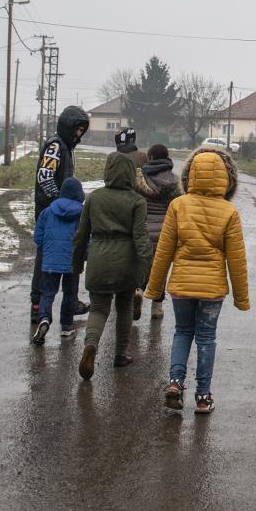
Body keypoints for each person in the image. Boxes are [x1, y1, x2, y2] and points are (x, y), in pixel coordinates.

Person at [143, 147, 249, 414]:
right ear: (226, 178)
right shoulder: (228, 212)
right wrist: (241, 298)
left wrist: (154, 287)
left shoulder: (178, 206)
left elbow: (164, 251)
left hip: (181, 285)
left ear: (189, 176)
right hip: (212, 289)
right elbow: (236, 259)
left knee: (182, 332)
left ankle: (176, 383)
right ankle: (203, 397)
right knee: (206, 337)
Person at [71, 153, 151, 378]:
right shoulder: (137, 201)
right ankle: (120, 354)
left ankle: (91, 345)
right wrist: (146, 267)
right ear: (129, 174)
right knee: (124, 307)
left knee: (98, 308)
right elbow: (140, 237)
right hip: (126, 261)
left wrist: (77, 264)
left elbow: (80, 235)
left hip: (99, 258)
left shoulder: (94, 198)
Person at [31, 105, 90, 327]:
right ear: (68, 126)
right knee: (44, 259)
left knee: (69, 255)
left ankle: (70, 301)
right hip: (51, 213)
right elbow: (45, 177)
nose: (79, 135)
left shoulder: (66, 147)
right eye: (77, 129)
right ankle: (37, 305)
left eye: (82, 131)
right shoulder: (55, 146)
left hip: (60, 210)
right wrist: (59, 203)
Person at [32, 176, 85, 345]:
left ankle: (44, 318)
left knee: (47, 293)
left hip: (49, 261)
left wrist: (47, 249)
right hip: (72, 261)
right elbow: (85, 236)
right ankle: (67, 326)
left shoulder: (47, 212)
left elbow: (38, 237)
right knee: (70, 293)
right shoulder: (81, 213)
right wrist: (84, 254)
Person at [131, 143, 180, 321]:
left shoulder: (139, 178)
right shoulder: (175, 181)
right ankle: (157, 307)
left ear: (150, 158)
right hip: (165, 231)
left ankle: (139, 289)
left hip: (142, 228)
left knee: (142, 264)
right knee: (161, 268)